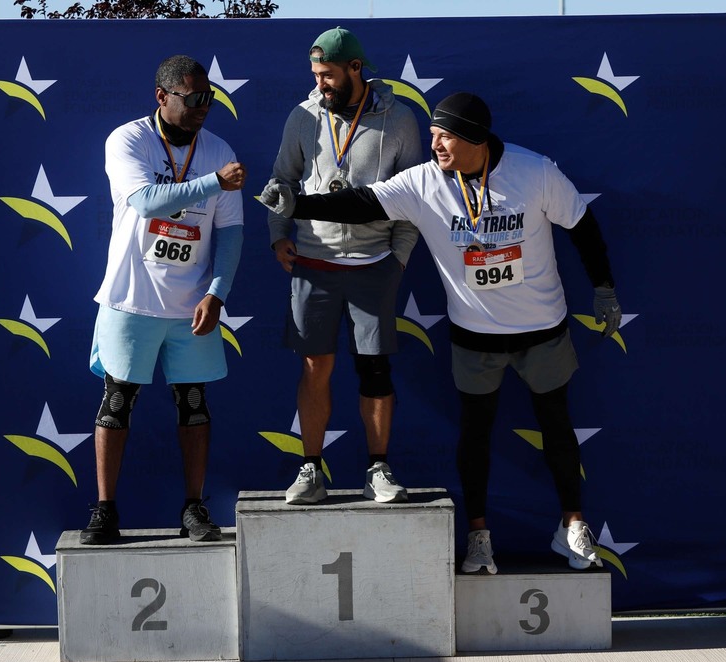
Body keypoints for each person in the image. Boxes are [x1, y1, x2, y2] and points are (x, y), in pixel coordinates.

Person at [261, 92, 622, 573]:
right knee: (475, 435)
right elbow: (362, 203)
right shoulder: (425, 181)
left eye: (444, 135)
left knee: (556, 426)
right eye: (431, 134)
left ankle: (572, 525)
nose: (434, 145)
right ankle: (479, 537)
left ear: (474, 139)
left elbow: (582, 226)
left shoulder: (534, 172)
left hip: (543, 328)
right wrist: (300, 203)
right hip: (475, 336)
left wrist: (604, 290)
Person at [81, 55, 246, 545]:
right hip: (130, 298)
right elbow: (150, 202)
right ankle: (105, 511)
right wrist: (214, 182)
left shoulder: (219, 149)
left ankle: (194, 508)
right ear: (163, 97)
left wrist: (218, 293)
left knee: (194, 403)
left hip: (191, 302)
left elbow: (231, 232)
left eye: (209, 99)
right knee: (117, 400)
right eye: (193, 98)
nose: (203, 107)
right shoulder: (127, 140)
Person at [267, 27, 422, 506]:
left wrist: (397, 258)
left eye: (328, 74)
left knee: (374, 369)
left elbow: (416, 195)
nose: (320, 84)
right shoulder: (303, 115)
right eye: (315, 74)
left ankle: (378, 469)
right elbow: (281, 180)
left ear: (356, 68)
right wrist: (278, 235)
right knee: (316, 367)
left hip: (375, 262)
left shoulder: (400, 120)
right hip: (314, 261)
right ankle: (311, 469)